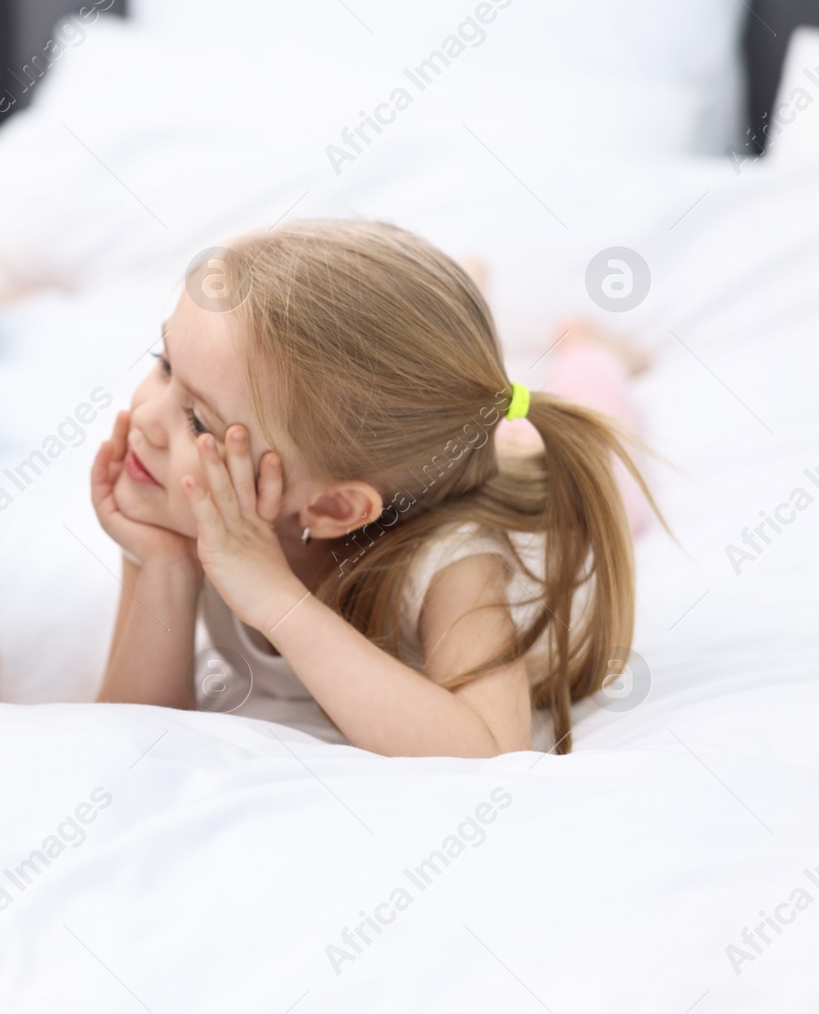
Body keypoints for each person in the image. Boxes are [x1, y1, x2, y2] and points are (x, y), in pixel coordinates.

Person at [92, 219, 661, 757]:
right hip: (400, 457)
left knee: (587, 443)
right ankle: (457, 313)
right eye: (164, 364)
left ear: (335, 506)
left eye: (197, 423)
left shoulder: (456, 562)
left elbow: (491, 749)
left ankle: (588, 348)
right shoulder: (196, 508)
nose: (143, 418)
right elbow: (135, 732)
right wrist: (161, 564)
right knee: (417, 392)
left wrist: (273, 597)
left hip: (533, 492)